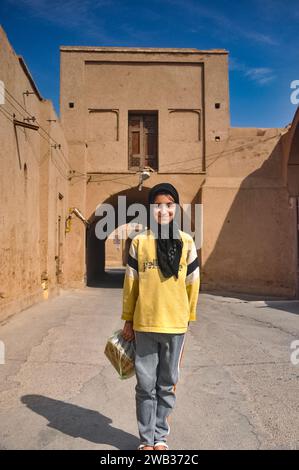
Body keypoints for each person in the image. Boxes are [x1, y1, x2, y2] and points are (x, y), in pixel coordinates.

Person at [121, 182, 200, 451]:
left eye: (169, 205)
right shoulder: (140, 242)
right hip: (144, 324)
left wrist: (187, 318)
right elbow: (131, 283)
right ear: (150, 209)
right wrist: (128, 318)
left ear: (175, 208)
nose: (163, 210)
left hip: (175, 325)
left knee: (167, 385)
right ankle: (146, 439)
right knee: (145, 385)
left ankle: (160, 437)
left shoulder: (187, 242)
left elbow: (193, 283)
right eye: (157, 205)